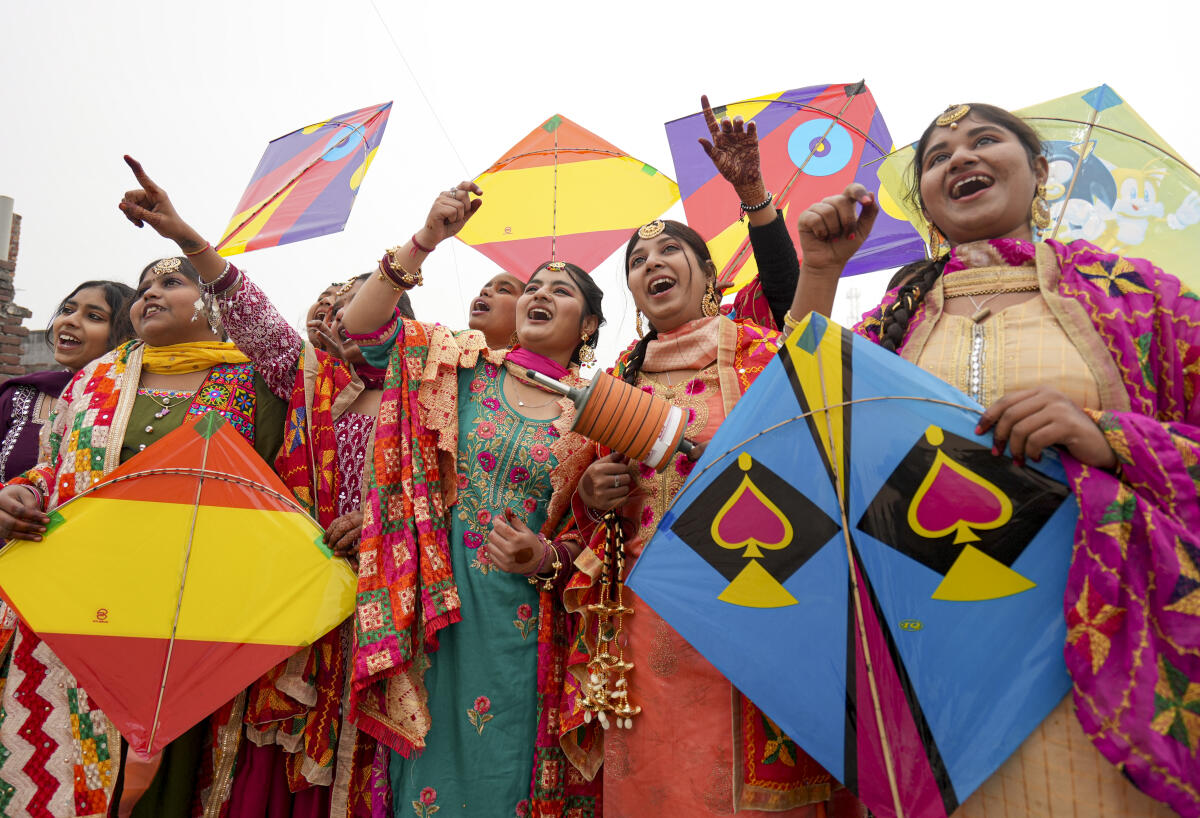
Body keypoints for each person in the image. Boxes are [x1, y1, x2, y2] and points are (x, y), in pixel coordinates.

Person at [788, 103, 1198, 817]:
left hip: (1101, 654)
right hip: (936, 660)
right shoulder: (894, 319)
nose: (960, 159)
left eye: (984, 140)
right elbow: (797, 440)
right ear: (927, 204)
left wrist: (1109, 436)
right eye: (939, 155)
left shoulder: (1137, 298)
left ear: (1039, 172)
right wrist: (820, 271)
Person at [560, 98, 864, 816]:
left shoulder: (759, 354)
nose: (652, 263)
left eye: (669, 251)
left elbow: (816, 378)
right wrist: (595, 492)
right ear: (632, 293)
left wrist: (754, 197)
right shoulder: (613, 384)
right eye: (638, 260)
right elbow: (571, 511)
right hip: (646, 615)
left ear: (707, 276)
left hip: (757, 595)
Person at [338, 181, 605, 818]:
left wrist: (544, 555)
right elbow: (358, 325)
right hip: (431, 604)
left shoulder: (599, 412)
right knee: (423, 780)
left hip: (526, 622)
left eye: (561, 291)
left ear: (589, 325)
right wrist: (427, 237)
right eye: (535, 285)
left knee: (507, 780)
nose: (540, 293)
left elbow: (596, 539)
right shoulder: (458, 363)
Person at [0, 239, 287, 815]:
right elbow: (52, 468)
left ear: (212, 300)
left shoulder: (258, 384)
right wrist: (19, 494)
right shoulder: (92, 383)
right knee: (55, 756)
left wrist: (190, 239)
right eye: (145, 285)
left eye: (172, 281)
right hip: (82, 599)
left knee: (164, 776)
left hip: (190, 607)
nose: (152, 292)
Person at [0, 280, 135, 481]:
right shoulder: (19, 396)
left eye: (94, 317)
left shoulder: (134, 400)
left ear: (126, 336)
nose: (70, 321)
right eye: (67, 310)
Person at [467, 271, 524, 348]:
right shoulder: (448, 347)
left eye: (503, 290)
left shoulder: (535, 359)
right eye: (486, 287)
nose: (484, 291)